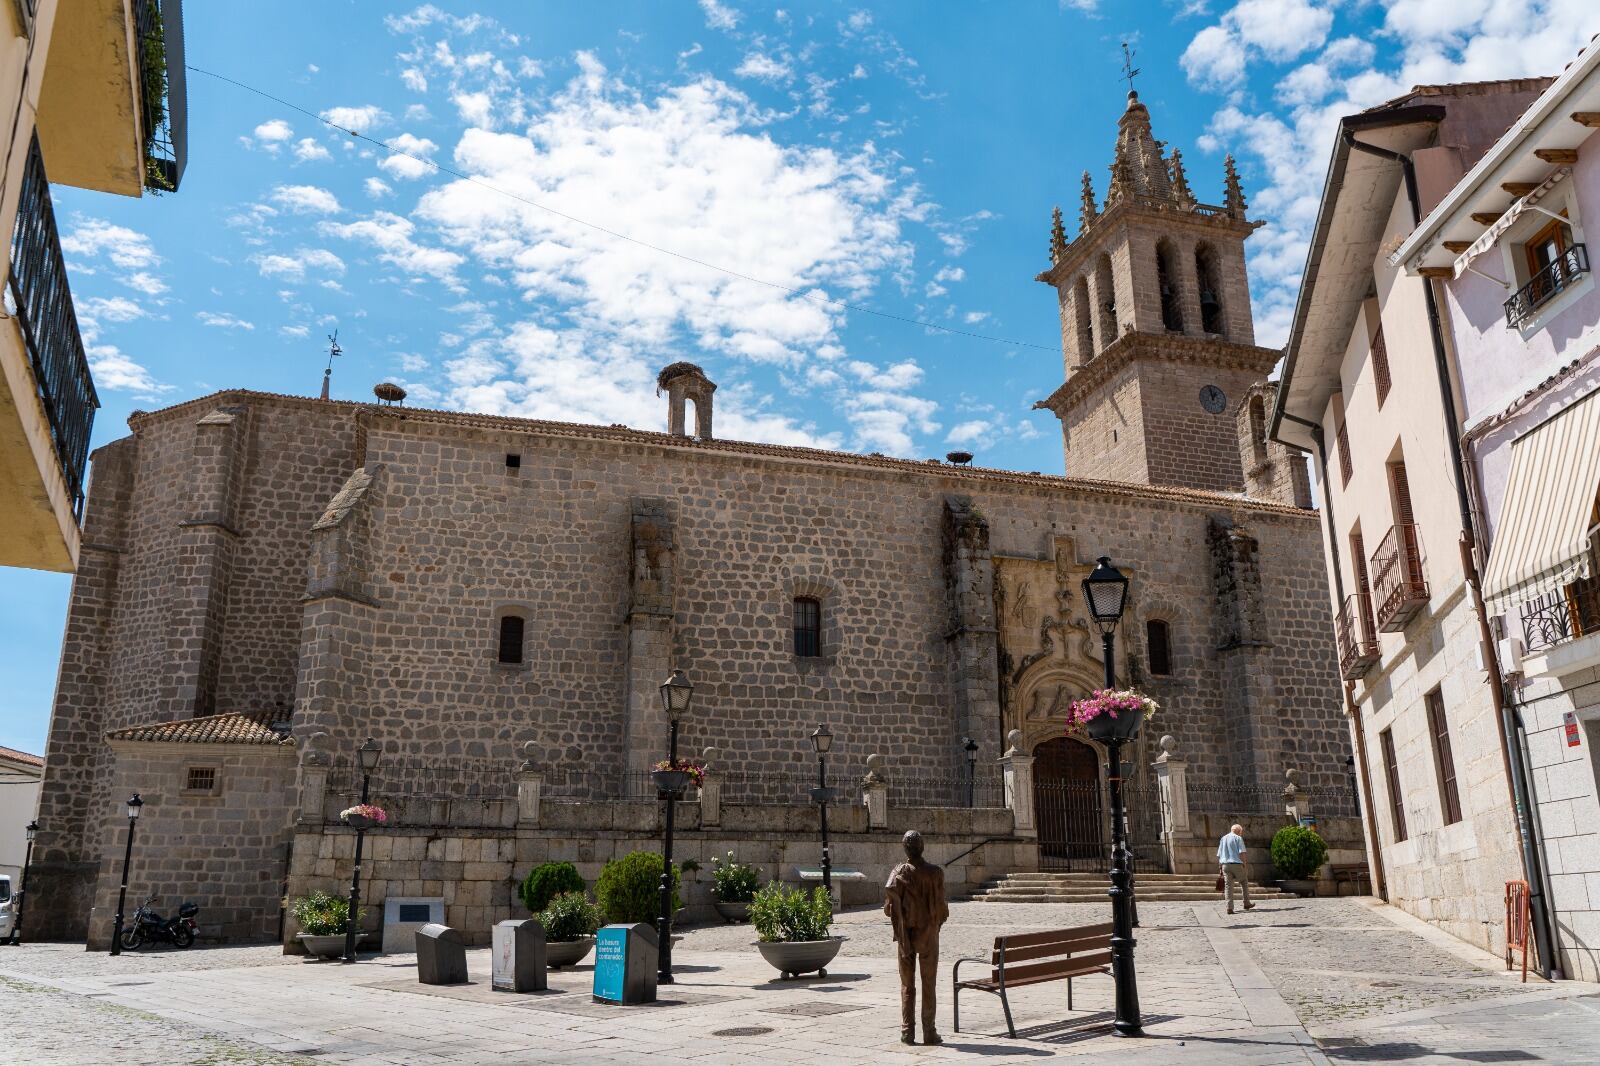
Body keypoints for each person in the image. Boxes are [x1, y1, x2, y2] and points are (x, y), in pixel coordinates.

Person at [884, 830, 949, 1045]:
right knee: (928, 982)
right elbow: (942, 909)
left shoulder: (898, 872)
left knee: (907, 984)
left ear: (905, 848)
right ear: (923, 847)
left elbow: (887, 909)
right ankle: (929, 1031)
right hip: (928, 934)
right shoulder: (936, 873)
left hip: (906, 935)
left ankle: (907, 1031)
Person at [1218, 823, 1254, 914]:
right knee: (1244, 881)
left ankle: (1229, 908)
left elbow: (1219, 854)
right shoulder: (1238, 838)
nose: (1241, 834)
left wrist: (1220, 867)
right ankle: (1246, 903)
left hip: (1225, 865)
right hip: (1236, 864)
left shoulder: (1223, 838)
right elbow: (1242, 853)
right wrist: (1245, 865)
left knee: (1228, 886)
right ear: (1239, 831)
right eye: (1241, 832)